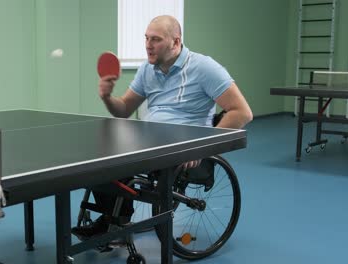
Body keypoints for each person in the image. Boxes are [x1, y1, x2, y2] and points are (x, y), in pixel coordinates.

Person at [71, 15, 253, 240]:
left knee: (115, 161)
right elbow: (124, 109)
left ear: (175, 42)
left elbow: (242, 112)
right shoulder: (148, 70)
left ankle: (114, 222)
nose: (148, 44)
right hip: (147, 140)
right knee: (97, 155)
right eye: (146, 38)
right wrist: (107, 96)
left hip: (180, 147)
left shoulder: (204, 67)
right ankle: (114, 220)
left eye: (155, 39)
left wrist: (201, 147)